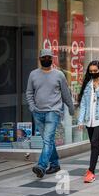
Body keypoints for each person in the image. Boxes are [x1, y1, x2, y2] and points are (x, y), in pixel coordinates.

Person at [26, 49, 75, 178]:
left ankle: (41, 166)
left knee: (47, 140)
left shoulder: (59, 75)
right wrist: (32, 107)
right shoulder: (33, 74)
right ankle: (55, 164)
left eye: (48, 57)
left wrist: (71, 108)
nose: (46, 59)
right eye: (43, 57)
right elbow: (29, 93)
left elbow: (65, 93)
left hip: (53, 112)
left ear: (52, 59)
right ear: (40, 59)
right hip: (38, 112)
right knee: (48, 140)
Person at [77, 61, 99, 183]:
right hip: (89, 120)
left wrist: (98, 89)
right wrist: (80, 120)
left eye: (95, 71)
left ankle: (91, 172)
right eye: (90, 71)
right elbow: (83, 104)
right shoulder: (87, 84)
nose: (93, 73)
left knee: (94, 142)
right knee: (95, 143)